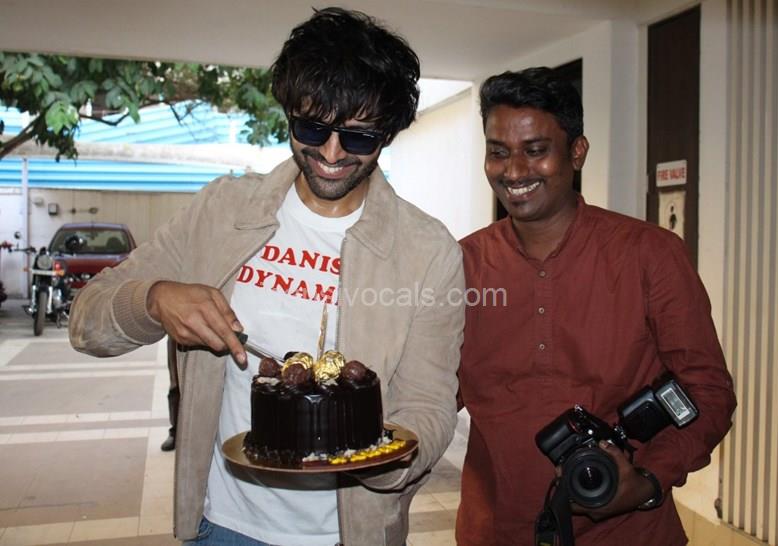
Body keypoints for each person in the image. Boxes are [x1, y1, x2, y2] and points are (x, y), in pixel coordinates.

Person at [69, 8, 464, 546]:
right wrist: (154, 299)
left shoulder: (428, 251)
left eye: (358, 138)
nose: (330, 154)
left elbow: (430, 403)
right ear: (288, 113)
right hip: (224, 524)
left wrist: (380, 460)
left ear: (388, 135)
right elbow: (88, 322)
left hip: (351, 533)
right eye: (312, 128)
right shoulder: (220, 211)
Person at [456, 67, 736, 546]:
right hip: (495, 529)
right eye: (498, 152)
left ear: (577, 152)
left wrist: (646, 480)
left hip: (629, 532)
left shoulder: (650, 255)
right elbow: (431, 393)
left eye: (535, 150)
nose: (514, 171)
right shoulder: (461, 264)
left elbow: (709, 392)